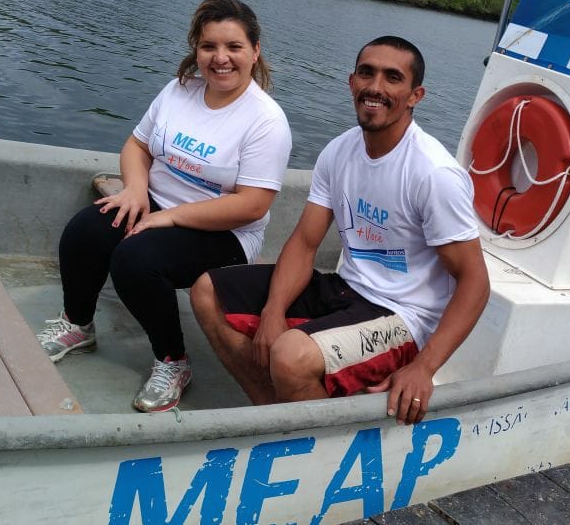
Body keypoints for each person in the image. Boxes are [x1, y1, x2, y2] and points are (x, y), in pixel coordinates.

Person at [190, 36, 489, 425]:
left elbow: (474, 282)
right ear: (352, 82)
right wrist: (273, 311)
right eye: (367, 73)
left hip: (403, 315)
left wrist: (424, 368)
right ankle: (276, 417)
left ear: (415, 95)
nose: (375, 87)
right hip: (347, 289)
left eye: (392, 78)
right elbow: (304, 241)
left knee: (290, 355)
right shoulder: (339, 151)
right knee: (207, 292)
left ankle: (311, 444)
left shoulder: (432, 173)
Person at [36, 0, 292, 413]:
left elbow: (252, 205)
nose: (220, 58)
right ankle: (78, 325)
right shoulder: (180, 89)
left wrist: (167, 218)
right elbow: (137, 145)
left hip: (222, 230)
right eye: (209, 46)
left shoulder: (265, 121)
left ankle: (173, 361)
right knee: (86, 230)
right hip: (157, 204)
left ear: (255, 52)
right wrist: (135, 189)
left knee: (135, 260)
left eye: (234, 47)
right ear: (196, 49)